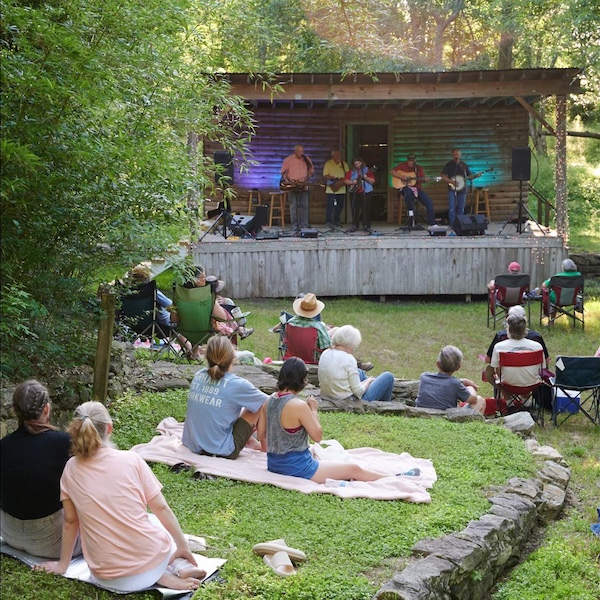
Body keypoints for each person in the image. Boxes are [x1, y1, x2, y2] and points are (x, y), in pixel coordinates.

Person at [38, 401, 205, 593]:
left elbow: (70, 522)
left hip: (105, 577)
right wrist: (182, 544)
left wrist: (62, 565)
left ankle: (164, 574)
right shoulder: (132, 459)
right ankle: (176, 567)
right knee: (154, 523)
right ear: (109, 428)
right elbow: (161, 508)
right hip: (150, 565)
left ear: (74, 430)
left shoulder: (70, 469)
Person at [257, 358, 419, 482]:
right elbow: (318, 437)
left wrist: (274, 457)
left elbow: (261, 435)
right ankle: (395, 478)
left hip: (274, 464)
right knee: (354, 469)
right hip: (298, 468)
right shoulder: (298, 405)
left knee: (321, 454)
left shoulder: (268, 401)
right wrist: (313, 410)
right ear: (301, 380)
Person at [0, 380, 82, 559]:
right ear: (46, 409)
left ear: (15, 411)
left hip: (8, 533)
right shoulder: (63, 443)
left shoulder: (3, 446)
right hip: (51, 543)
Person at [182, 336, 267, 458]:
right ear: (233, 357)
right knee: (259, 405)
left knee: (242, 405)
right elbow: (271, 403)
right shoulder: (237, 384)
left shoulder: (198, 375)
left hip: (192, 445)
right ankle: (265, 448)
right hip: (222, 450)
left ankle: (250, 441)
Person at [318, 325, 395, 402]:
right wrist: (368, 381)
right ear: (350, 345)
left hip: (327, 395)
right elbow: (359, 393)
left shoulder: (325, 353)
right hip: (348, 399)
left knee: (359, 372)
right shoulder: (349, 359)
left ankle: (371, 384)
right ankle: (384, 404)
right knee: (388, 376)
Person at [186, 267, 254, 342]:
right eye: (204, 276)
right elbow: (223, 317)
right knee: (228, 305)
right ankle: (241, 329)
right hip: (206, 328)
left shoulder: (183, 297)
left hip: (186, 329)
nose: (205, 279)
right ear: (197, 279)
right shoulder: (205, 297)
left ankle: (194, 353)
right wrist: (215, 303)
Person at [416, 346, 486, 415]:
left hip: (421, 414)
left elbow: (443, 383)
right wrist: (470, 387)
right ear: (458, 367)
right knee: (480, 400)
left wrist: (461, 381)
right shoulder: (455, 384)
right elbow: (473, 399)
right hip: (446, 417)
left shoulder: (424, 377)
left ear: (437, 363)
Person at [486, 313, 546, 392]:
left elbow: (497, 370)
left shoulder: (499, 347)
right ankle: (526, 402)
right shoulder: (537, 346)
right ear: (525, 329)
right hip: (532, 384)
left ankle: (508, 401)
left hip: (507, 385)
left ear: (508, 329)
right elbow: (542, 368)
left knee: (490, 371)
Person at [484, 305, 549, 366]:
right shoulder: (536, 338)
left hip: (506, 376)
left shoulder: (500, 338)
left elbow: (488, 360)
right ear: (525, 321)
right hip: (532, 376)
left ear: (508, 322)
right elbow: (545, 361)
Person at [391, 153, 436, 228]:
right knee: (408, 192)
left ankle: (432, 224)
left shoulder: (419, 168)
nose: (410, 162)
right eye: (409, 160)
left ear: (415, 160)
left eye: (412, 160)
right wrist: (401, 177)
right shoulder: (402, 165)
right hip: (405, 188)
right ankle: (411, 215)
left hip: (417, 189)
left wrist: (425, 180)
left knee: (429, 203)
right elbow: (392, 172)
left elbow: (422, 179)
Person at [280, 145, 314, 232]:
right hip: (293, 185)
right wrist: (289, 181)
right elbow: (283, 172)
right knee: (293, 206)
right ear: (295, 151)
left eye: (303, 151)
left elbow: (311, 171)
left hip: (303, 184)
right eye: (300, 152)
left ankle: (304, 225)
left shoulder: (306, 159)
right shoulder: (289, 160)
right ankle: (295, 225)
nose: (302, 153)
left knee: (304, 206)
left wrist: (306, 179)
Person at [440, 148, 475, 228]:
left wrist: (474, 176)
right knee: (452, 207)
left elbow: (469, 175)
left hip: (462, 189)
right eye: (454, 154)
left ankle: (460, 223)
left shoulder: (463, 165)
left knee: (461, 207)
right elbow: (443, 175)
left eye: (457, 154)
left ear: (460, 155)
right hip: (452, 188)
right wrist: (451, 182)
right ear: (452, 155)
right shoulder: (449, 165)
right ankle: (452, 224)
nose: (456, 156)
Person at [345, 157, 376, 232]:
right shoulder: (351, 172)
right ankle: (355, 225)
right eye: (356, 164)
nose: (357, 165)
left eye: (359, 163)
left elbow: (372, 181)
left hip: (366, 192)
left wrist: (366, 178)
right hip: (354, 192)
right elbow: (346, 181)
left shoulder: (367, 171)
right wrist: (353, 182)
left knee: (366, 209)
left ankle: (366, 225)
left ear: (362, 163)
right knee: (355, 209)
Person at [322, 150, 349, 228]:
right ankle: (328, 221)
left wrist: (342, 180)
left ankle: (337, 221)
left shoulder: (344, 164)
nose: (338, 157)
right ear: (332, 156)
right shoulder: (328, 163)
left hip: (341, 188)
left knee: (340, 206)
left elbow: (348, 175)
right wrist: (332, 177)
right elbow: (325, 175)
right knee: (330, 206)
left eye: (339, 155)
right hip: (331, 188)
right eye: (336, 155)